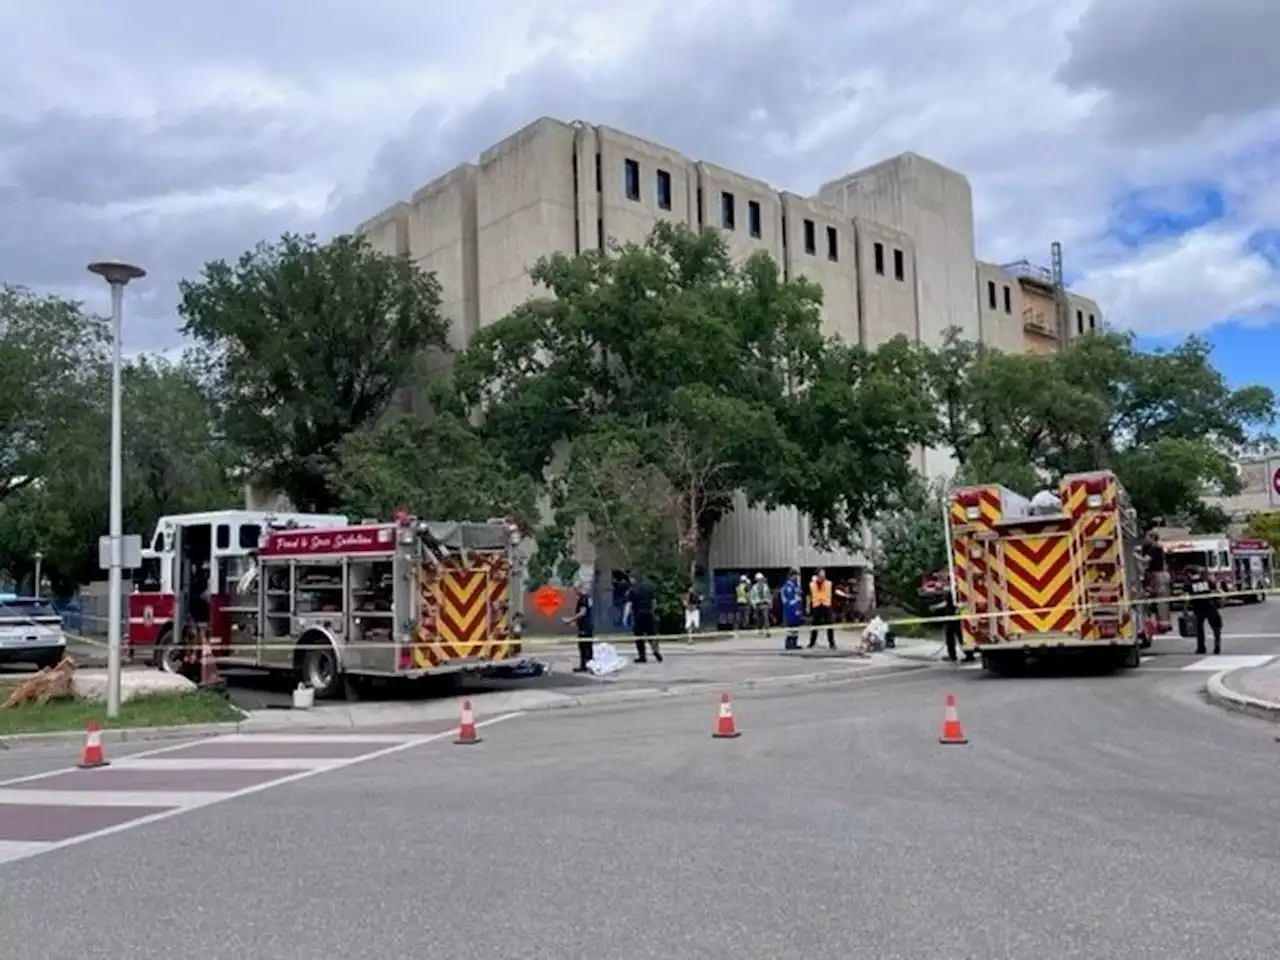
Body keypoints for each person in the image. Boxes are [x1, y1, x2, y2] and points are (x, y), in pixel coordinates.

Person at [1186, 565, 1223, 656]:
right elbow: (1215, 590)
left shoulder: (1189, 584)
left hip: (1198, 608)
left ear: (1189, 574)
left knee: (1199, 629)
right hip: (1210, 606)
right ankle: (1217, 646)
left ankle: (1201, 647)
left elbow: (1188, 598)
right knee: (1216, 628)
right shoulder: (1206, 581)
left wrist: (1186, 609)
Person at [628, 576, 663, 663]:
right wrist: (652, 611)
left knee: (639, 636)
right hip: (648, 614)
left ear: (634, 580)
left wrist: (626, 617)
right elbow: (654, 601)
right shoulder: (648, 588)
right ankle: (656, 651)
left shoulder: (632, 590)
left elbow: (629, 604)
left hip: (638, 615)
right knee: (651, 634)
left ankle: (642, 656)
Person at [931, 592, 973, 663]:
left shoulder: (953, 591)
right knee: (960, 637)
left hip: (953, 617)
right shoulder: (956, 591)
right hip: (954, 617)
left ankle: (953, 656)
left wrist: (935, 607)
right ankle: (968, 655)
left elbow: (948, 603)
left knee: (951, 638)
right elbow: (947, 603)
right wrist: (936, 607)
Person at [1142, 531, 1171, 628]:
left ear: (1153, 538)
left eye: (1147, 537)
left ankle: (1162, 624)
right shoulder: (1158, 548)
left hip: (1157, 576)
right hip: (1160, 576)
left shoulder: (1155, 549)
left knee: (1159, 600)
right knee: (1161, 601)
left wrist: (1134, 555)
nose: (1145, 539)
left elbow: (1145, 560)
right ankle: (1163, 623)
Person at [564, 582, 594, 672]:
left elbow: (582, 612)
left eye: (575, 589)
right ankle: (587, 665)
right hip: (587, 625)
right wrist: (575, 621)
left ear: (580, 588)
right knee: (587, 646)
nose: (575, 592)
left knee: (584, 646)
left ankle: (586, 666)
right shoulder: (587, 598)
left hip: (585, 627)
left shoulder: (583, 599)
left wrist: (571, 619)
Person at [807, 568, 836, 650]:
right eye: (822, 573)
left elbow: (833, 592)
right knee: (815, 625)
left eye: (824, 573)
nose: (823, 574)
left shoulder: (828, 583)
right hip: (816, 606)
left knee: (829, 625)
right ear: (817, 574)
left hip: (826, 605)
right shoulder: (812, 584)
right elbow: (809, 595)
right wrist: (808, 608)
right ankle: (812, 643)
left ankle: (832, 643)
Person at [780, 568, 803, 650]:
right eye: (795, 576)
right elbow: (788, 601)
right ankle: (789, 644)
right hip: (791, 610)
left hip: (796, 609)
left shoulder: (795, 585)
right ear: (791, 576)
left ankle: (794, 643)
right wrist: (795, 608)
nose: (796, 577)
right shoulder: (787, 587)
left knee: (795, 628)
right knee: (791, 628)